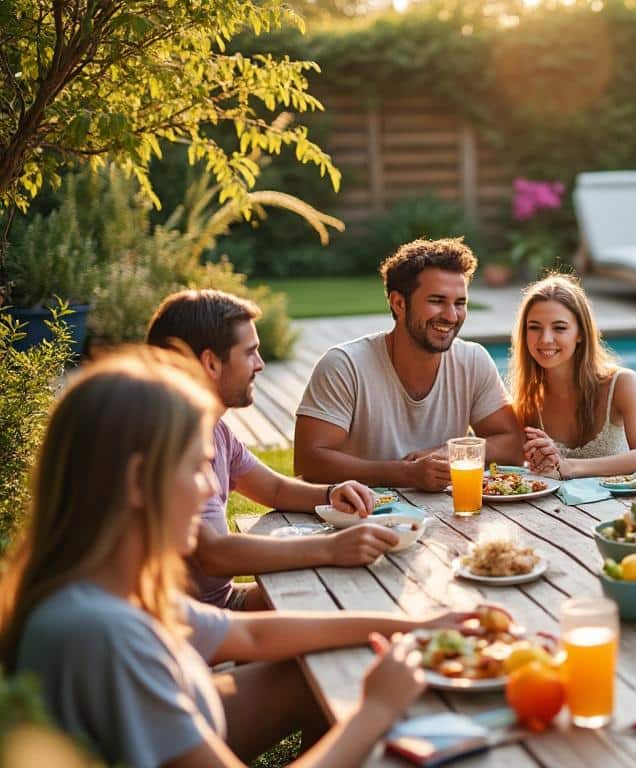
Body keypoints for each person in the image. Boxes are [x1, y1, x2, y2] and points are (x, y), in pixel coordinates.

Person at [0, 348, 490, 767]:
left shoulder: (109, 590)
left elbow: (252, 635)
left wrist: (416, 627)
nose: (210, 489)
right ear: (135, 481)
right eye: (197, 467)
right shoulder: (105, 633)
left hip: (196, 710)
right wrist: (374, 710)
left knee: (308, 675)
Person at [147, 289, 398, 611]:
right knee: (343, 604)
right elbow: (213, 553)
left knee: (351, 595)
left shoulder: (216, 431)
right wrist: (330, 548)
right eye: (250, 353)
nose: (260, 365)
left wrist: (332, 493)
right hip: (184, 624)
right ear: (210, 363)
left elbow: (275, 489)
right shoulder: (165, 444)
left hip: (223, 602)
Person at [294, 238, 524, 490]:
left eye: (460, 303)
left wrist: (447, 452)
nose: (451, 316)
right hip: (363, 510)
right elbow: (308, 462)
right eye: (437, 301)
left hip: (448, 510)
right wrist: (406, 474)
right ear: (399, 303)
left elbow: (512, 445)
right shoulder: (344, 366)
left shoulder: (472, 360)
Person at [508, 275, 636, 479]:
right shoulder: (528, 399)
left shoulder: (621, 384)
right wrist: (540, 461)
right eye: (534, 327)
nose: (545, 339)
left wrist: (569, 467)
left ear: (580, 333)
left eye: (559, 328)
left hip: (621, 498)